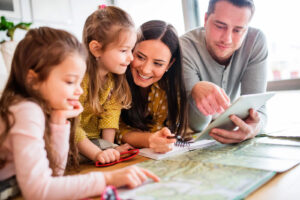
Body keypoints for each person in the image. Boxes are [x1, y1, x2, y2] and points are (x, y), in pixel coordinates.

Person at [0, 27, 159, 200]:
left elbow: (55, 172)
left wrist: (59, 120)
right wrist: (108, 179)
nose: (79, 91)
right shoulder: (26, 111)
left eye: (79, 81)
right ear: (33, 80)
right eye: (70, 81)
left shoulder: (42, 110)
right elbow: (39, 191)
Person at [180, 0, 268, 144]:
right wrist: (196, 90)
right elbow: (195, 124)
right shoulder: (183, 47)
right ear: (206, 19)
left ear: (246, 30)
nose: (226, 39)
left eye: (238, 30)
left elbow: (259, 109)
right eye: (220, 26)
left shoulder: (256, 41)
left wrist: (254, 127)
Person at [76, 6, 136, 164]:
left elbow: (111, 116)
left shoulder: (114, 79)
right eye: (124, 50)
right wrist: (97, 153)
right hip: (69, 139)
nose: (131, 58)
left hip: (93, 142)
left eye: (131, 50)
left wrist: (109, 148)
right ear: (96, 49)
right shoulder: (79, 79)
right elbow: (69, 126)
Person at [119, 20, 188, 153]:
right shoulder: (116, 80)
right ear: (131, 49)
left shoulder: (172, 87)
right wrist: (150, 139)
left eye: (157, 63)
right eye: (140, 57)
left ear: (169, 64)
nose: (145, 70)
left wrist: (159, 139)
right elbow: (116, 130)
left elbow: (163, 130)